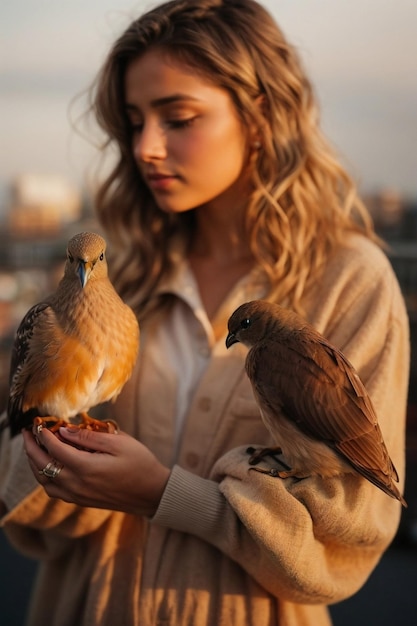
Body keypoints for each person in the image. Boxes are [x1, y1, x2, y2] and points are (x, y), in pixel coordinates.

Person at [0, 1, 410, 625]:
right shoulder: (123, 266)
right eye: (134, 121)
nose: (145, 147)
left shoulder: (351, 283)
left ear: (261, 114)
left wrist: (166, 496)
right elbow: (32, 520)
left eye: (178, 117)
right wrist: (59, 461)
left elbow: (348, 539)